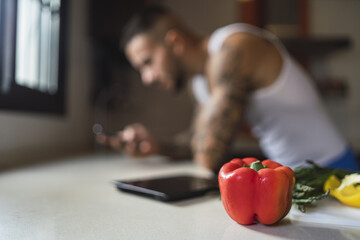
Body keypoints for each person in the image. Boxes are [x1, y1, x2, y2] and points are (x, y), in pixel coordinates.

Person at [97, 5, 359, 172]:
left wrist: (198, 143)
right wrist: (156, 145)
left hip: (334, 170)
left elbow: (208, 155)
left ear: (174, 42)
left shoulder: (234, 48)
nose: (147, 78)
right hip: (291, 175)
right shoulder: (199, 83)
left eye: (147, 62)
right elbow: (196, 141)